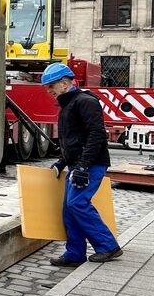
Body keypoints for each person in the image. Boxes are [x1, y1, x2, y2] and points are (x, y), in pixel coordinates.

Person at [41, 62, 122, 267]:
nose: (48, 90)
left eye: (51, 86)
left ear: (66, 83)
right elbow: (74, 141)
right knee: (69, 209)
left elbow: (97, 135)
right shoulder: (68, 104)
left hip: (91, 165)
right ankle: (75, 253)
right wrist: (62, 162)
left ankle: (108, 246)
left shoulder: (85, 102)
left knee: (77, 204)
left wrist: (84, 167)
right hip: (78, 165)